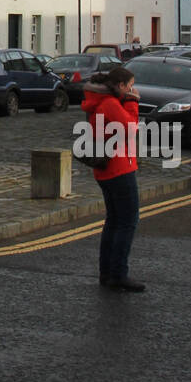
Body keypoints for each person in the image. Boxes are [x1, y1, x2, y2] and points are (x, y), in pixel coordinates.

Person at [81, 65, 145, 291]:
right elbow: (129, 128)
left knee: (114, 221)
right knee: (127, 222)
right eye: (130, 86)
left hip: (107, 169)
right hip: (118, 168)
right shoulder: (110, 104)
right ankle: (118, 273)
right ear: (120, 86)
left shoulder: (102, 102)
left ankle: (107, 272)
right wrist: (132, 102)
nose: (133, 89)